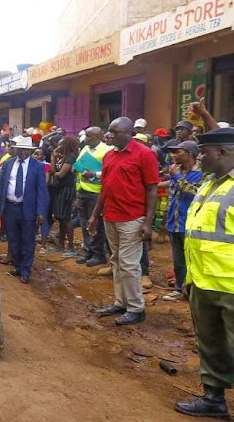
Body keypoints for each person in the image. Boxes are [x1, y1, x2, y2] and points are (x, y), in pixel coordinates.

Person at [172, 128, 234, 421]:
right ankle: (213, 399)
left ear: (222, 152)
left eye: (204, 154)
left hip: (230, 286)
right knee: (210, 343)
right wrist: (189, 280)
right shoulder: (210, 184)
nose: (199, 159)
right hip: (203, 282)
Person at [89, 117, 158, 326]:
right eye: (108, 131)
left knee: (129, 264)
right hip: (110, 216)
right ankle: (121, 302)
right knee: (117, 261)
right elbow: (105, 188)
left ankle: (136, 308)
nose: (109, 135)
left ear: (129, 133)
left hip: (132, 218)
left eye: (114, 132)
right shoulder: (109, 155)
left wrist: (147, 222)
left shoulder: (145, 154)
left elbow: (152, 189)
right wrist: (94, 215)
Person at [0, 136, 49, 284]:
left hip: (28, 209)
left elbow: (42, 191)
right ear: (16, 150)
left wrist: (41, 212)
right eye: (20, 150)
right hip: (10, 208)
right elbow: (2, 188)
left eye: (26, 150)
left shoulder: (37, 166)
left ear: (30, 151)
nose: (23, 153)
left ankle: (26, 270)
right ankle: (17, 267)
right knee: (13, 240)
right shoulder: (8, 164)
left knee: (28, 241)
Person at [158, 140, 203, 302]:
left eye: (179, 152)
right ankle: (180, 288)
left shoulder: (202, 172)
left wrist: (175, 176)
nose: (174, 155)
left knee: (192, 260)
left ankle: (192, 291)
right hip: (174, 222)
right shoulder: (178, 171)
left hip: (190, 224)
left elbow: (193, 191)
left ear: (190, 154)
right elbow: (172, 185)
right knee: (178, 260)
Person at [75, 126, 112, 267]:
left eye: (90, 136)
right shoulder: (85, 149)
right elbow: (79, 165)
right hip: (82, 190)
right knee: (84, 223)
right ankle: (88, 251)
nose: (86, 138)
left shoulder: (107, 151)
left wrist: (94, 174)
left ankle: (98, 254)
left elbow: (110, 172)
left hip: (96, 192)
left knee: (95, 224)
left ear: (99, 137)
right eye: (86, 135)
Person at [49, 136, 79, 258]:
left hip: (66, 190)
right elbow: (52, 171)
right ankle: (60, 244)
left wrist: (51, 173)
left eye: (61, 144)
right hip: (59, 190)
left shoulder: (71, 158)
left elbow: (60, 175)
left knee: (66, 218)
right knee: (60, 218)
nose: (58, 146)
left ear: (66, 145)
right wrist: (54, 157)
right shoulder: (63, 158)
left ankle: (70, 247)